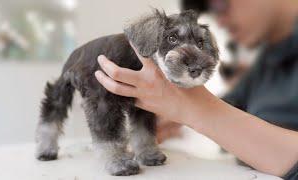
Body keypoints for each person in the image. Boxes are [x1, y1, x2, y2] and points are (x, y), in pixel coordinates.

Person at [94, 0, 298, 179]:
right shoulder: (270, 60)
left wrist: (192, 108)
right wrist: (172, 118)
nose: (220, 22)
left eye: (221, 5)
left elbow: (209, 109)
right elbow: (230, 105)